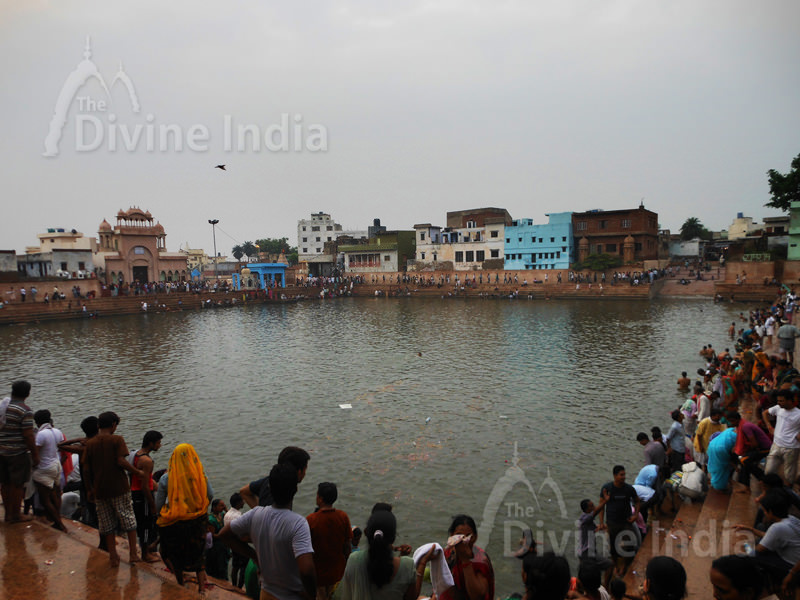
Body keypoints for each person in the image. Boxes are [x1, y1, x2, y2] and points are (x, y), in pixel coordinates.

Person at [220, 463, 316, 600]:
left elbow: (224, 535)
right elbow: (307, 570)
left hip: (266, 594)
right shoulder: (299, 524)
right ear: (295, 490)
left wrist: (253, 555)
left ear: (270, 488)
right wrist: (311, 595)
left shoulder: (255, 514)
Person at [82, 411, 144, 566]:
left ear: (98, 425)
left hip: (100, 489)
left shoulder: (90, 444)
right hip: (119, 487)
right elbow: (121, 461)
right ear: (113, 425)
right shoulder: (117, 440)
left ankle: (113, 556)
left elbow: (86, 469)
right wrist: (137, 472)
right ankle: (133, 554)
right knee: (129, 520)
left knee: (106, 523)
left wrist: (89, 489)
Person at [156, 443, 214, 593]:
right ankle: (201, 589)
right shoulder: (200, 475)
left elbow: (159, 504)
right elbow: (210, 495)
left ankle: (181, 582)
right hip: (197, 520)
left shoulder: (165, 478)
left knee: (173, 552)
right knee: (198, 553)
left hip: (175, 521)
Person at [337, 509, 427, 600]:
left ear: (367, 534)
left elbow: (346, 595)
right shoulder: (408, 565)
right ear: (393, 538)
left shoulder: (354, 560)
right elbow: (411, 597)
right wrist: (423, 562)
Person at [735, 489, 800, 588]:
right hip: (794, 560)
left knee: (747, 555)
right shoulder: (791, 518)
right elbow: (768, 536)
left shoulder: (777, 528)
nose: (764, 513)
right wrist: (749, 529)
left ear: (770, 511)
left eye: (765, 511)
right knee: (760, 532)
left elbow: (758, 551)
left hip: (792, 568)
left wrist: (745, 545)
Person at [0, 380, 38, 523]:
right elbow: (28, 435)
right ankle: (15, 515)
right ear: (27, 393)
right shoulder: (24, 410)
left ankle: (8, 514)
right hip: (17, 453)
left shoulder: (3, 407)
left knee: (4, 483)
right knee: (17, 485)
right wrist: (35, 455)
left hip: (1, 451)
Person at [306, 482, 352, 600]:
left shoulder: (311, 520)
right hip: (337, 573)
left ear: (320, 499)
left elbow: (306, 550)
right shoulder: (343, 517)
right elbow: (347, 546)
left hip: (318, 575)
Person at [443, 514, 494, 600]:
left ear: (475, 538)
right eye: (458, 536)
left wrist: (465, 560)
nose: (463, 541)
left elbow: (478, 596)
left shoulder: (480, 560)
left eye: (468, 536)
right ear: (452, 536)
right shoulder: (447, 553)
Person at [31, 410, 67, 532]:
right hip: (57, 465)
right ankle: (56, 517)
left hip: (44, 468)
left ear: (37, 422)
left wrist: (31, 467)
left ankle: (59, 524)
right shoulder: (58, 432)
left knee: (45, 499)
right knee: (56, 494)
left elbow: (35, 453)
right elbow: (62, 448)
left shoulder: (41, 434)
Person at [240, 446, 310, 507]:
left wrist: (259, 511)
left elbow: (244, 491)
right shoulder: (284, 492)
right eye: (305, 469)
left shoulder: (268, 480)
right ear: (299, 472)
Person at [130, 430, 162, 562]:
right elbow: (145, 486)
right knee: (146, 525)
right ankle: (145, 554)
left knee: (142, 524)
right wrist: (152, 505)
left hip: (135, 493)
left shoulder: (136, 455)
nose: (159, 446)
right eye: (158, 443)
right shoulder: (147, 461)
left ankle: (146, 551)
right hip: (143, 496)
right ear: (151, 443)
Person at [762, 388, 800, 486]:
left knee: (789, 476)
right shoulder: (778, 408)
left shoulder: (798, 414)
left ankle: (788, 496)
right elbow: (765, 413)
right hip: (776, 445)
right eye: (778, 400)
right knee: (768, 472)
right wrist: (769, 426)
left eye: (781, 401)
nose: (779, 403)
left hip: (791, 448)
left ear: (790, 400)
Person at [727, 411, 771, 489]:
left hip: (764, 448)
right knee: (743, 463)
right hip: (757, 448)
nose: (731, 423)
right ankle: (745, 485)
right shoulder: (741, 425)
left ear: (737, 420)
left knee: (744, 460)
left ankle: (763, 479)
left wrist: (746, 453)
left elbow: (754, 444)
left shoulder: (745, 426)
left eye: (732, 421)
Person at [225, 492, 247, 589]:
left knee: (235, 566)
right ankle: (239, 587)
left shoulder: (227, 514)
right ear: (238, 503)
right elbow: (242, 533)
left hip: (232, 544)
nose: (244, 503)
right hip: (240, 544)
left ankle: (234, 585)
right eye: (242, 501)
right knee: (244, 567)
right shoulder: (239, 517)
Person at [206, 498, 231, 581]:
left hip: (223, 543)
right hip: (216, 546)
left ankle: (224, 578)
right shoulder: (211, 519)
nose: (222, 507)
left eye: (223, 505)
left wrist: (226, 509)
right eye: (221, 505)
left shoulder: (222, 515)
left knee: (223, 564)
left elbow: (229, 517)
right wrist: (222, 535)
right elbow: (213, 535)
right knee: (218, 565)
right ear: (214, 507)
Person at [707, 426, 738, 491]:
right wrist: (735, 467)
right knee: (721, 471)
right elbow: (727, 460)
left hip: (719, 454)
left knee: (720, 472)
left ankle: (724, 484)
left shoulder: (720, 438)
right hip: (722, 454)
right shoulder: (725, 437)